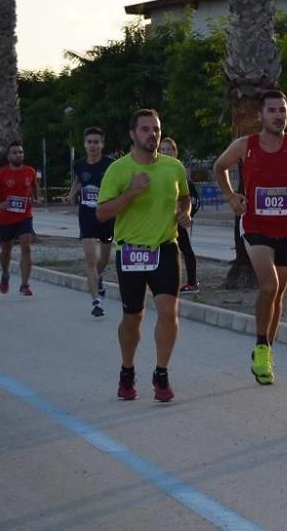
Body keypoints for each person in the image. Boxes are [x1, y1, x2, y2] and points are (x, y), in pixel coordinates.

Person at [213, 89, 287, 386]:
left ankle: (266, 352)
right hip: (255, 226)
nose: (278, 115)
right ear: (260, 116)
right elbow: (219, 167)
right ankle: (261, 345)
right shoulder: (244, 145)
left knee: (278, 294)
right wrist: (231, 196)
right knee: (269, 285)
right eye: (272, 110)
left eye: (282, 110)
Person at [97, 109, 191, 403]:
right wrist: (131, 193)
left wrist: (184, 212)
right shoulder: (118, 170)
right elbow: (101, 213)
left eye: (156, 129)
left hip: (164, 247)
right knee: (132, 318)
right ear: (132, 134)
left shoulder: (173, 167)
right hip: (130, 252)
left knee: (167, 312)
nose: (152, 134)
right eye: (145, 129)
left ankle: (161, 373)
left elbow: (184, 197)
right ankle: (127, 370)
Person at [66, 126, 116, 317]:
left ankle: (98, 279)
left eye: (96, 142)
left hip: (106, 215)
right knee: (90, 258)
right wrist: (71, 194)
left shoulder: (111, 165)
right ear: (85, 145)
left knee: (103, 258)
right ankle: (96, 301)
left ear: (102, 144)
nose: (93, 145)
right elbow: (79, 180)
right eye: (89, 142)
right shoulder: (79, 164)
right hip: (86, 215)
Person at [0, 141, 41, 296]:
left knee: (26, 245)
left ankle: (25, 284)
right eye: (15, 152)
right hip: (6, 218)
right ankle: (5, 273)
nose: (18, 155)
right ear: (9, 156)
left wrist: (36, 198)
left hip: (25, 215)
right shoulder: (1, 174)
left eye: (21, 152)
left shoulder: (29, 171)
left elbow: (34, 185)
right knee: (6, 250)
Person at [158, 137, 201, 294]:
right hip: (160, 223)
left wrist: (185, 215)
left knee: (185, 250)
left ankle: (191, 283)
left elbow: (193, 199)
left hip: (177, 221)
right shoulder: (155, 171)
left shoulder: (179, 172)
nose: (166, 152)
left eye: (169, 149)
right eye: (162, 150)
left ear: (175, 152)